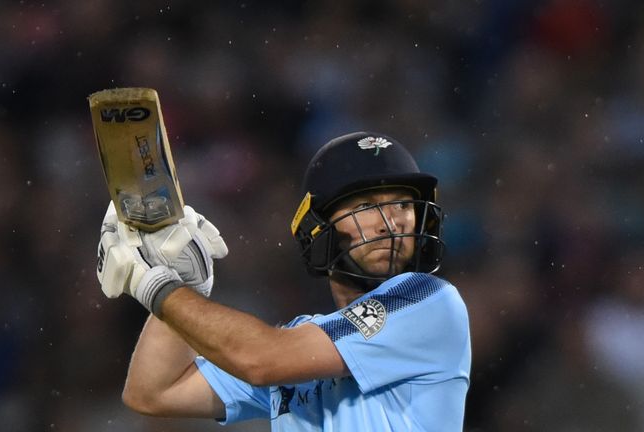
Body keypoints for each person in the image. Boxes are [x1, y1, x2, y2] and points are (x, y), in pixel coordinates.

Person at [96, 131, 471, 431]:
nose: (392, 223)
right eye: (365, 207)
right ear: (318, 229)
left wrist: (160, 289)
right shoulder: (301, 340)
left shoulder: (429, 302)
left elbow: (261, 360)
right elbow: (153, 393)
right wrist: (185, 285)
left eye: (403, 204)